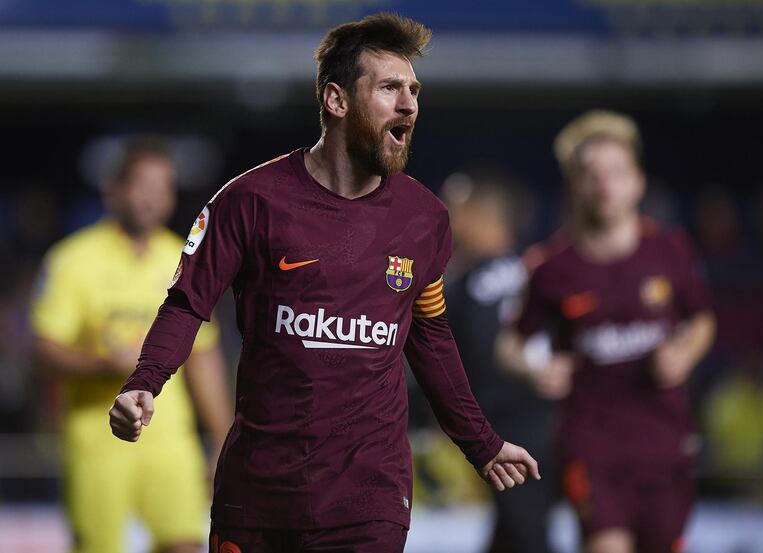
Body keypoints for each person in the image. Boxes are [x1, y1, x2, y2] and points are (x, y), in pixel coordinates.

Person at [108, 13, 540, 553]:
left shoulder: (424, 219)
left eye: (413, 90)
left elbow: (430, 339)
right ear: (336, 101)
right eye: (389, 88)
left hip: (369, 498)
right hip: (259, 492)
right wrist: (144, 381)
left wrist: (483, 444)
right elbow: (187, 302)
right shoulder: (249, 201)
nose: (408, 104)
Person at [497, 110, 715, 553]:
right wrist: (534, 367)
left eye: (616, 172)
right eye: (590, 175)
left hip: (665, 443)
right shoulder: (549, 268)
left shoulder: (669, 251)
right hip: (593, 445)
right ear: (573, 186)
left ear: (638, 181)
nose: (604, 185)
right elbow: (509, 344)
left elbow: (701, 319)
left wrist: (684, 354)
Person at [32, 137, 232, 553]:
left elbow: (204, 357)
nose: (152, 199)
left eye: (163, 188)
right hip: (96, 440)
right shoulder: (72, 260)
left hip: (171, 441)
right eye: (142, 186)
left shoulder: (183, 257)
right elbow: (45, 350)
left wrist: (224, 441)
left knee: (183, 544)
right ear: (114, 191)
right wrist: (103, 362)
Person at [442, 168, 556, 553]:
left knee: (526, 535)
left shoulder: (462, 280)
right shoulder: (534, 271)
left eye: (457, 209)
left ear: (483, 216)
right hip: (551, 417)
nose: (448, 218)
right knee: (515, 531)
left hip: (507, 425)